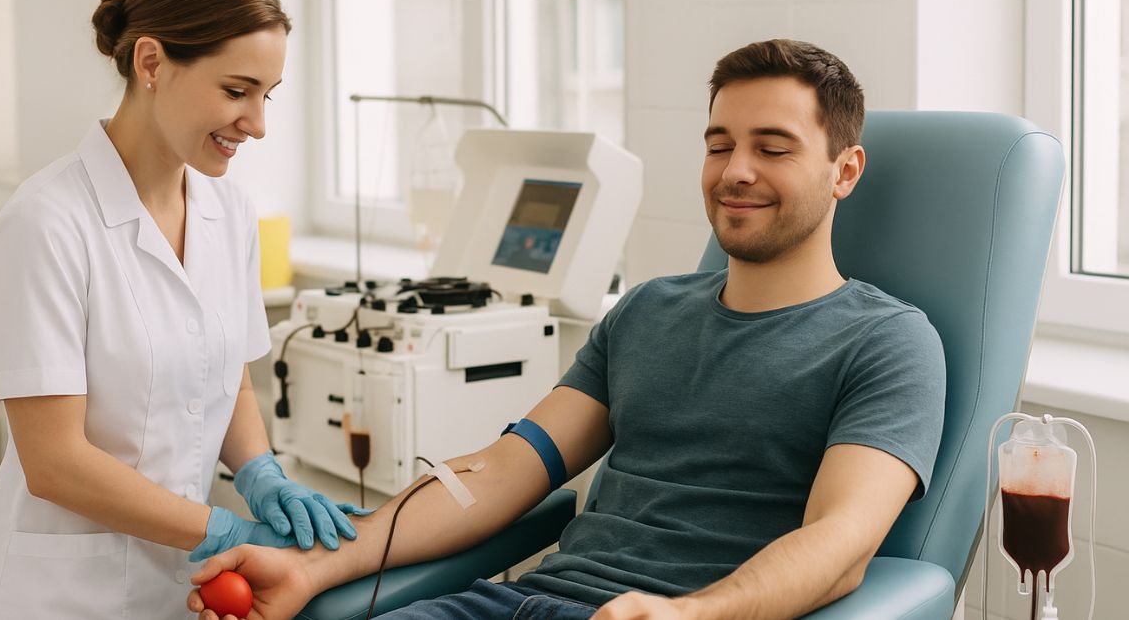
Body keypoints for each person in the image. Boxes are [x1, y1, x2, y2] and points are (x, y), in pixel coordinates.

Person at [187, 39, 947, 620]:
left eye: (772, 148)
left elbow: (842, 544)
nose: (735, 170)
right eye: (719, 145)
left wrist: (692, 613)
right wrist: (318, 566)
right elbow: (505, 469)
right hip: (513, 603)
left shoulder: (887, 342)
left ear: (845, 171)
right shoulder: (649, 310)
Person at [0, 0, 364, 620]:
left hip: (180, 585)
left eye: (269, 94)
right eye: (237, 91)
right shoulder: (47, 222)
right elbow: (54, 461)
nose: (258, 123)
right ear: (151, 63)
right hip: (57, 595)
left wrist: (261, 473)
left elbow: (229, 379)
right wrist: (223, 527)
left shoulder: (229, 211)